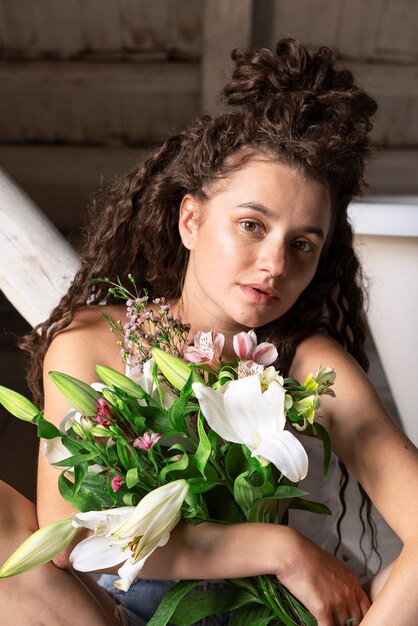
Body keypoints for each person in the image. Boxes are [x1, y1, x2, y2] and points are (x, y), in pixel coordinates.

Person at [1, 38, 417, 626]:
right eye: (252, 225)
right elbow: (71, 533)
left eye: (302, 245)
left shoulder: (308, 367)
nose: (275, 264)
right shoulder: (93, 342)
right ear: (191, 218)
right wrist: (282, 551)